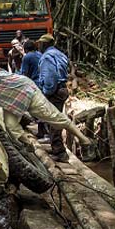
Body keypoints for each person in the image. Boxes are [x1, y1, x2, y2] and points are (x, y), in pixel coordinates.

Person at [37, 33, 76, 161]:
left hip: (54, 91)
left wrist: (46, 92)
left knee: (53, 120)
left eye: (40, 44)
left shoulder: (47, 57)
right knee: (55, 119)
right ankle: (57, 147)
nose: (39, 46)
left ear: (44, 44)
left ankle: (59, 151)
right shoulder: (60, 54)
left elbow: (50, 78)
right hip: (62, 89)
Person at [20, 40, 47, 140]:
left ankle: (42, 132)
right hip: (43, 83)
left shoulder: (27, 57)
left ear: (26, 49)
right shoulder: (40, 54)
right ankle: (42, 132)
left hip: (34, 84)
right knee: (42, 107)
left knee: (36, 108)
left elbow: (24, 74)